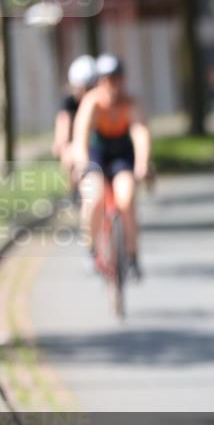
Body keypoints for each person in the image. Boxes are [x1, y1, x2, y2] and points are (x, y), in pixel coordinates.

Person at [71, 54, 152, 279]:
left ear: (123, 79)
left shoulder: (130, 103)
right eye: (107, 79)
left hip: (121, 157)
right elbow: (80, 136)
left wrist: (142, 163)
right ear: (99, 81)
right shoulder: (92, 103)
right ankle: (91, 250)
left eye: (116, 79)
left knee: (126, 198)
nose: (112, 85)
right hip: (97, 155)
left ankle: (132, 255)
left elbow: (140, 132)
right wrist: (82, 163)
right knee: (94, 197)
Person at [53, 55, 98, 195]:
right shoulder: (69, 102)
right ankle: (72, 193)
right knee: (69, 157)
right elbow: (63, 123)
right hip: (77, 143)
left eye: (89, 88)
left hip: (96, 142)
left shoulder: (100, 101)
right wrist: (61, 143)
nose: (85, 92)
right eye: (81, 88)